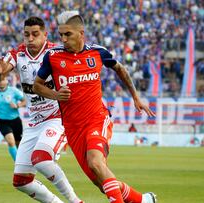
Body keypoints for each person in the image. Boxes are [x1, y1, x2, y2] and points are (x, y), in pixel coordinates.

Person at [33, 11, 157, 203]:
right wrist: (56, 95)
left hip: (97, 119)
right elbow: (37, 86)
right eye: (61, 35)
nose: (63, 39)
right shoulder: (53, 57)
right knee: (101, 182)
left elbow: (120, 69)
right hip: (73, 128)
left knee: (96, 163)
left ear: (81, 33)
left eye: (68, 34)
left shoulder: (98, 52)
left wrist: (135, 97)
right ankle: (143, 200)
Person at [0, 16, 82, 203]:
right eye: (26, 35)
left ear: (44, 35)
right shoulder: (18, 54)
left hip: (57, 117)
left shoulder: (57, 52)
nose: (30, 39)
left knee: (41, 158)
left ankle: (75, 201)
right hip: (34, 122)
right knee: (21, 181)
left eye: (35, 34)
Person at [0, 78, 26, 161]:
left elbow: (25, 101)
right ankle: (18, 163)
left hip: (15, 121)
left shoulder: (14, 91)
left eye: (3, 80)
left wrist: (17, 105)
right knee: (11, 142)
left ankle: (23, 162)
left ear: (7, 81)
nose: (1, 82)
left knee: (18, 144)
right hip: (2, 121)